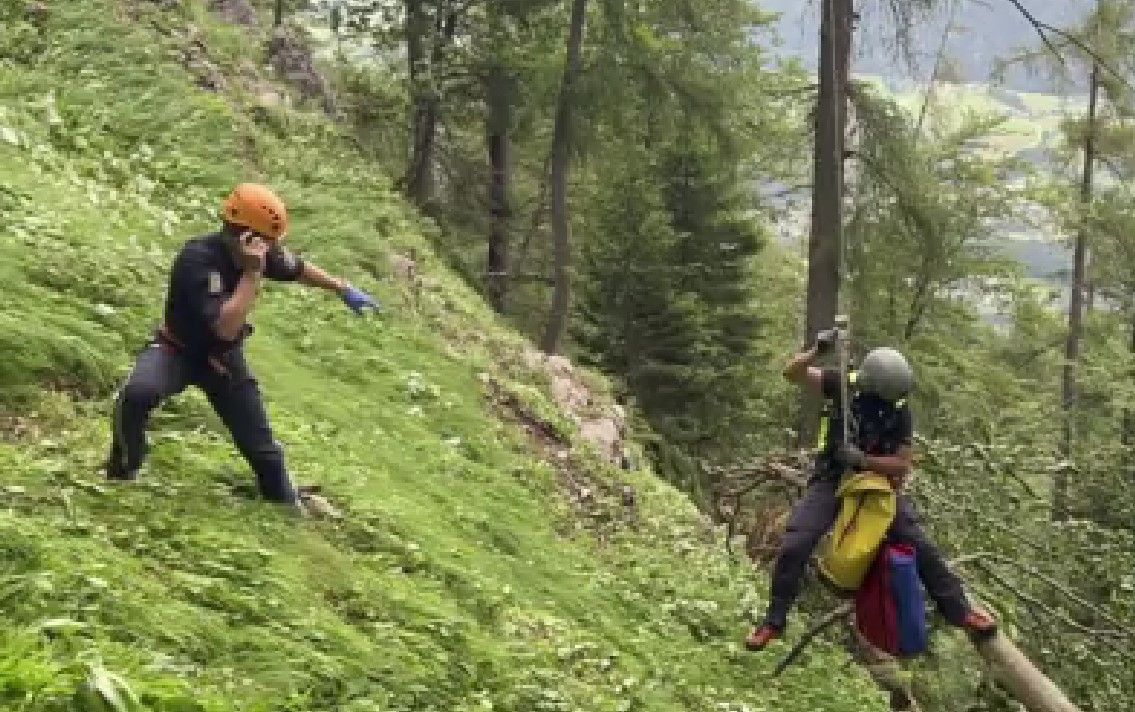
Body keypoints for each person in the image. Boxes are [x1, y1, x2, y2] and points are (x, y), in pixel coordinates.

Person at [104, 183, 380, 508]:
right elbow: (224, 327)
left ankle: (286, 505)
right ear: (246, 236)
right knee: (137, 395)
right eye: (269, 242)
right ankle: (125, 468)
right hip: (176, 349)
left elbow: (297, 268)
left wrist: (341, 288)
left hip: (222, 361)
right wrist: (252, 274)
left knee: (263, 450)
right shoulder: (198, 259)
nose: (274, 250)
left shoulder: (262, 255)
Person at [745, 329, 997, 650]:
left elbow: (901, 464)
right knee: (797, 541)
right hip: (831, 478)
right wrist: (817, 350)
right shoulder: (843, 386)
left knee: (918, 542)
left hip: (874, 485)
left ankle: (961, 613)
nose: (889, 403)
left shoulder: (899, 411)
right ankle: (773, 621)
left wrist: (865, 460)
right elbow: (792, 373)